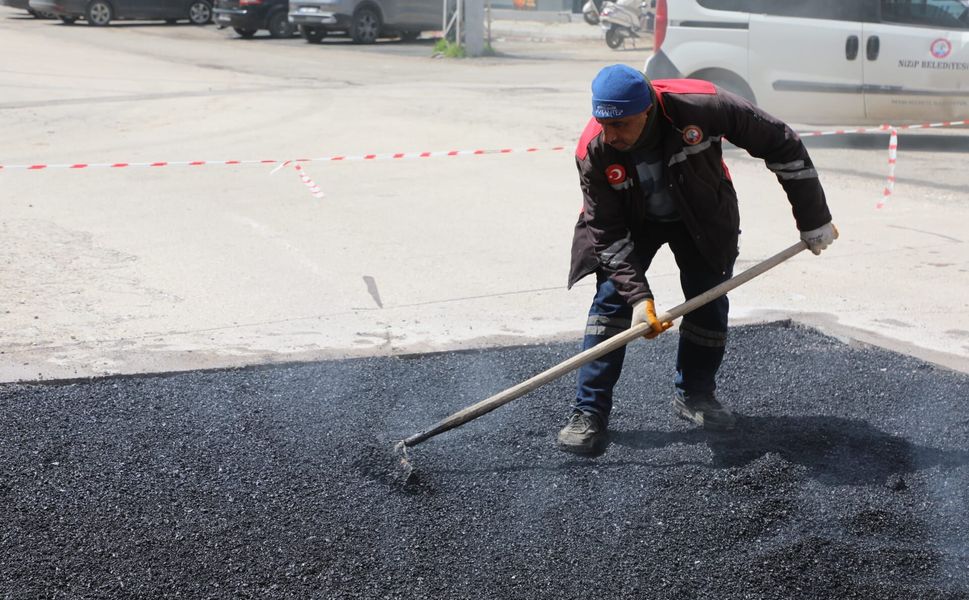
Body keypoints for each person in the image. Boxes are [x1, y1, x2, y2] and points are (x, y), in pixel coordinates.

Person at [558, 64, 838, 454]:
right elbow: (605, 232)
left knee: (708, 296)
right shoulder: (595, 149)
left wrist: (814, 219)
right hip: (630, 222)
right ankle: (589, 412)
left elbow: (781, 141)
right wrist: (640, 299)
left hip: (702, 213)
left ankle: (696, 395)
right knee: (611, 302)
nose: (611, 135)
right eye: (604, 124)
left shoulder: (703, 106)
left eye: (621, 124)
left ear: (647, 110)